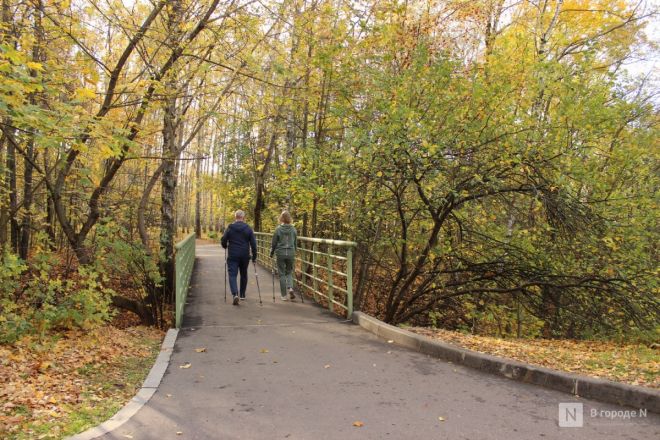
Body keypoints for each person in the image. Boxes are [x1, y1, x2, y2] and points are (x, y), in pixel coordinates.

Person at [221, 210, 257, 306]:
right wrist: (254, 256)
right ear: (243, 217)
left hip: (233, 254)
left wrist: (224, 245)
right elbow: (253, 244)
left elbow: (224, 239)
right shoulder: (248, 228)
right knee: (244, 274)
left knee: (232, 274)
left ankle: (234, 294)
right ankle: (242, 294)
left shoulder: (230, 227)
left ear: (235, 217)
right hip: (245, 255)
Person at [270, 210, 297, 301]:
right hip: (290, 253)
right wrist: (294, 252)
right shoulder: (293, 229)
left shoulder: (278, 229)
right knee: (289, 272)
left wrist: (272, 252)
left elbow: (274, 243)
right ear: (289, 218)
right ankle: (290, 288)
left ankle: (284, 296)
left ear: (281, 218)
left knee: (281, 274)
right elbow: (295, 243)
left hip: (280, 253)